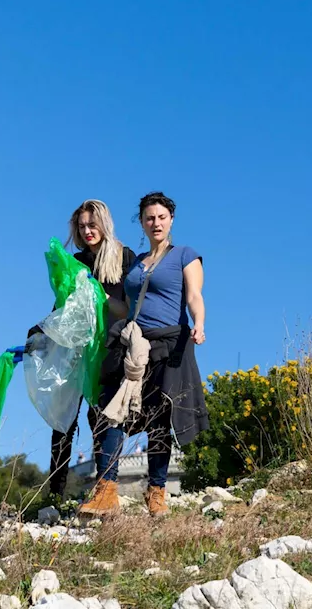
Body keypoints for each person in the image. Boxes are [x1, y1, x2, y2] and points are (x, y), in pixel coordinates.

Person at [78, 191, 210, 518]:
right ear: (142, 222)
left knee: (159, 421)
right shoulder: (136, 263)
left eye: (161, 217)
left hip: (171, 343)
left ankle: (157, 495)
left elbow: (194, 295)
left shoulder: (185, 255)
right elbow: (124, 304)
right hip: (137, 344)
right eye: (150, 218)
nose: (156, 223)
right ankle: (107, 493)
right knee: (114, 409)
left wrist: (200, 323)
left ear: (171, 220)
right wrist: (97, 295)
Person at [35, 200, 136, 499]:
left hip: (107, 349)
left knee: (101, 418)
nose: (87, 231)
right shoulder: (76, 262)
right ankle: (55, 494)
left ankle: (103, 488)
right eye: (82, 226)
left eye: (92, 225)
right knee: (63, 420)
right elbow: (63, 308)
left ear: (104, 224)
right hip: (75, 351)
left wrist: (100, 294)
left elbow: (129, 309)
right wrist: (39, 334)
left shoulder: (124, 258)